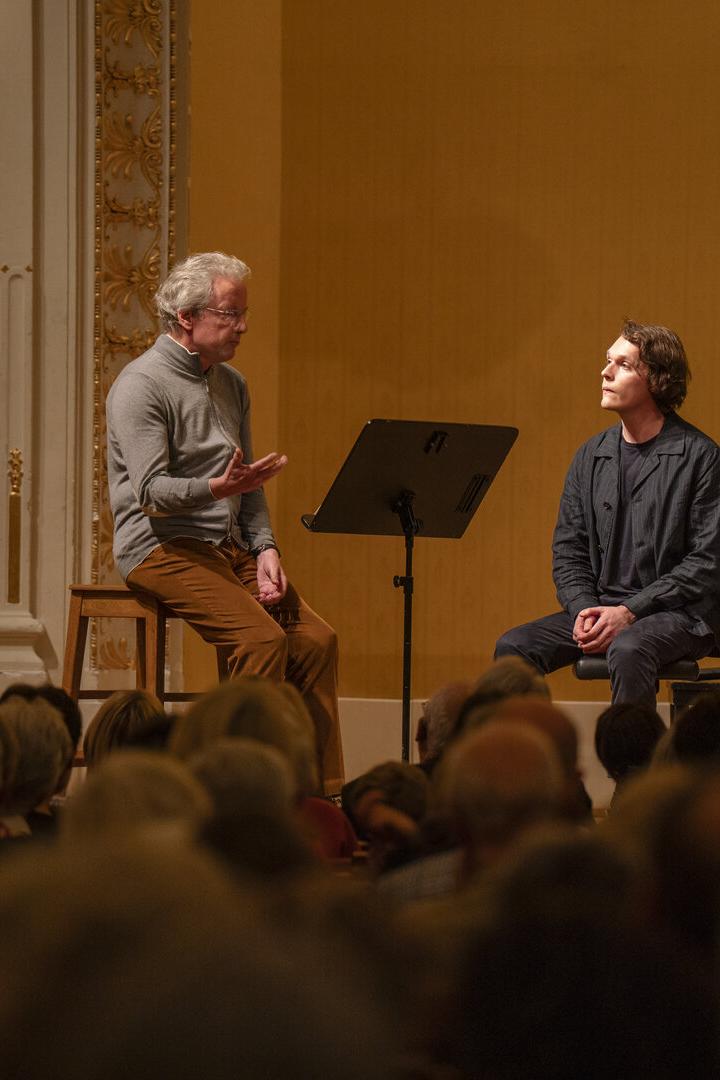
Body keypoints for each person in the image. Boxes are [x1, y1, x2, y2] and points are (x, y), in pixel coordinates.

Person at [106, 252, 343, 793]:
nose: (243, 326)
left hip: (226, 546)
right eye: (230, 313)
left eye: (243, 313)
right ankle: (236, 792)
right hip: (160, 546)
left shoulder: (231, 383)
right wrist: (218, 488)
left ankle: (318, 794)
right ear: (187, 316)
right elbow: (151, 494)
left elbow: (249, 482)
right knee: (262, 640)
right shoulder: (141, 384)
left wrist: (265, 549)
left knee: (314, 639)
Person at [495, 320, 720, 708]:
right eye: (607, 360)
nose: (605, 372)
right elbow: (569, 551)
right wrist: (584, 609)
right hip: (602, 605)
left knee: (630, 648)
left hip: (679, 613)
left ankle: (633, 751)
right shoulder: (591, 455)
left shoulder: (700, 456)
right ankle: (530, 746)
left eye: (623, 364)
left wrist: (629, 611)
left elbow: (706, 562)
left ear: (657, 380)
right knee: (514, 647)